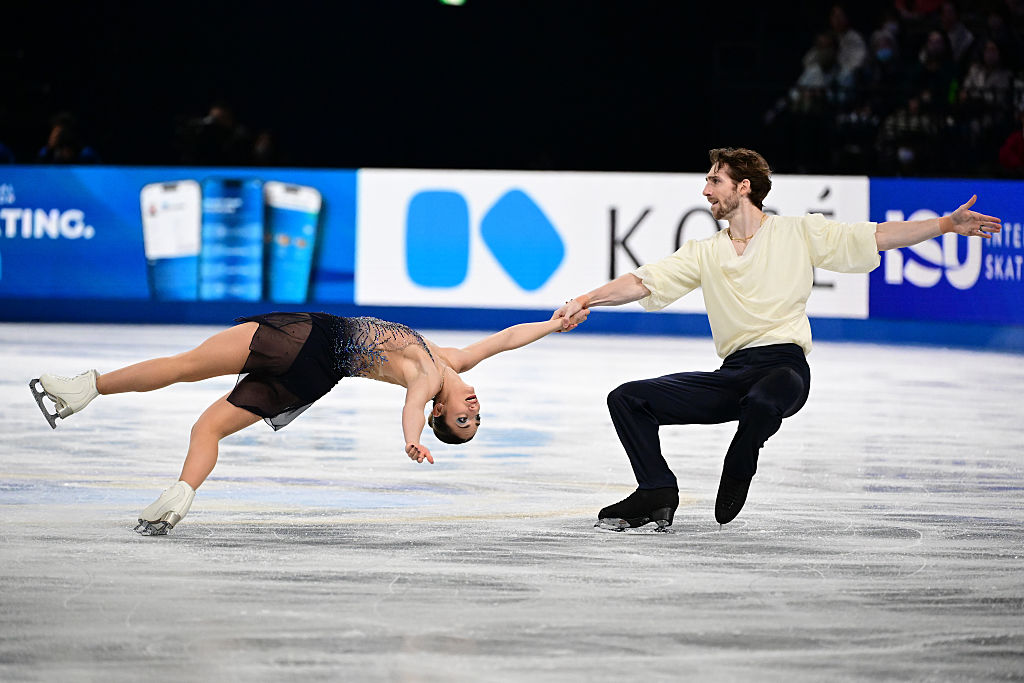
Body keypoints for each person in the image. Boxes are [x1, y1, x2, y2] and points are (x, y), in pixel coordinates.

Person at [553, 147, 1002, 531]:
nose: (705, 190)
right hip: (732, 374)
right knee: (627, 399)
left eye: (714, 180)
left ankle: (740, 462)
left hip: (784, 370)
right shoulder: (704, 252)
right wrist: (586, 299)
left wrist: (945, 224)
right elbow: (642, 282)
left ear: (744, 186)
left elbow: (877, 236)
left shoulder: (797, 232)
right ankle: (656, 489)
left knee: (763, 402)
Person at [30, 311, 588, 535]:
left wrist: (412, 439)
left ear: (441, 411)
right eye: (478, 416)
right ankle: (179, 495)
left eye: (464, 419)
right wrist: (553, 323)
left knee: (184, 366)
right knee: (208, 428)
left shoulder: (428, 377)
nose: (474, 408)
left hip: (306, 338)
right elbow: (505, 339)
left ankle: (87, 388)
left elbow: (411, 406)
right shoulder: (451, 361)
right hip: (313, 379)